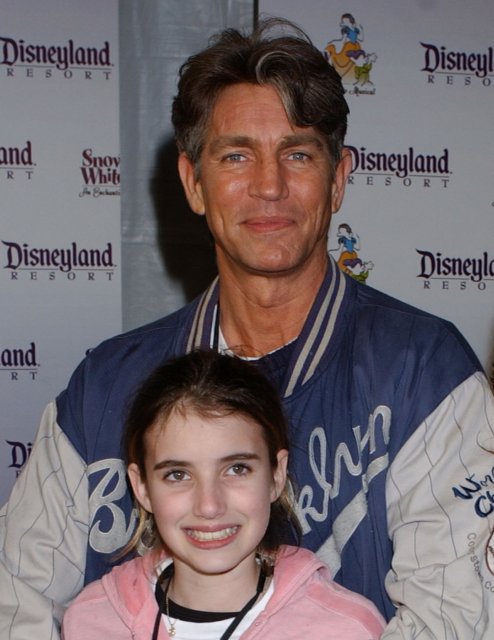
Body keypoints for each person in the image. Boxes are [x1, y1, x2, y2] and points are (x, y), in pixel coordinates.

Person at [1, 17, 494, 640]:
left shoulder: (424, 370)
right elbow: (15, 599)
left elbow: (453, 621)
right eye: (236, 155)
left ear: (338, 179)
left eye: (298, 154)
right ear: (193, 183)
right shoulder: (106, 387)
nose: (269, 186)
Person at [61, 350, 386, 639]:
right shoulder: (92, 620)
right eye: (178, 475)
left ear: (276, 474)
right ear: (141, 487)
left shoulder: (346, 629)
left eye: (236, 469)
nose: (209, 506)